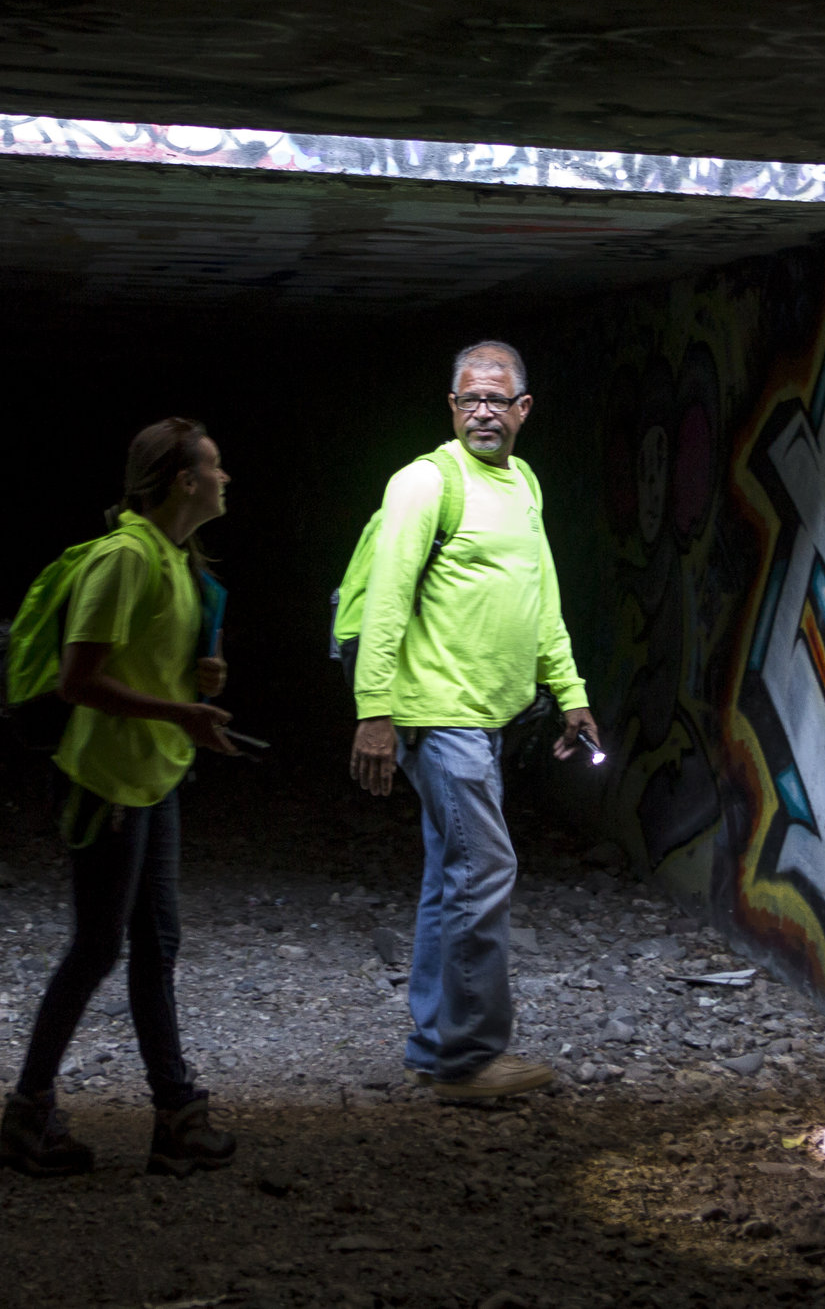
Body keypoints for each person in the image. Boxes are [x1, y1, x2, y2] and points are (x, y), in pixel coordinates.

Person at [350, 341, 599, 1102]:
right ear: (451, 408)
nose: (483, 411)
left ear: (524, 409)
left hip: (485, 718)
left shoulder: (523, 482)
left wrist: (570, 690)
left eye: (497, 399)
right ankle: (468, 1060)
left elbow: (542, 595)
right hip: (438, 715)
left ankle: (438, 1046)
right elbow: (387, 602)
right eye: (469, 400)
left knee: (453, 876)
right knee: (482, 871)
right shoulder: (427, 483)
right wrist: (374, 713)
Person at [0, 418, 240, 1177]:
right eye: (216, 465)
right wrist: (183, 713)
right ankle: (28, 1116)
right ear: (184, 479)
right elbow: (78, 680)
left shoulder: (173, 556)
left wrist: (199, 683)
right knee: (97, 948)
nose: (227, 476)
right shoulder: (126, 557)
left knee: (156, 947)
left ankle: (176, 1118)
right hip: (106, 784)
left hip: (153, 778)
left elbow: (148, 661)